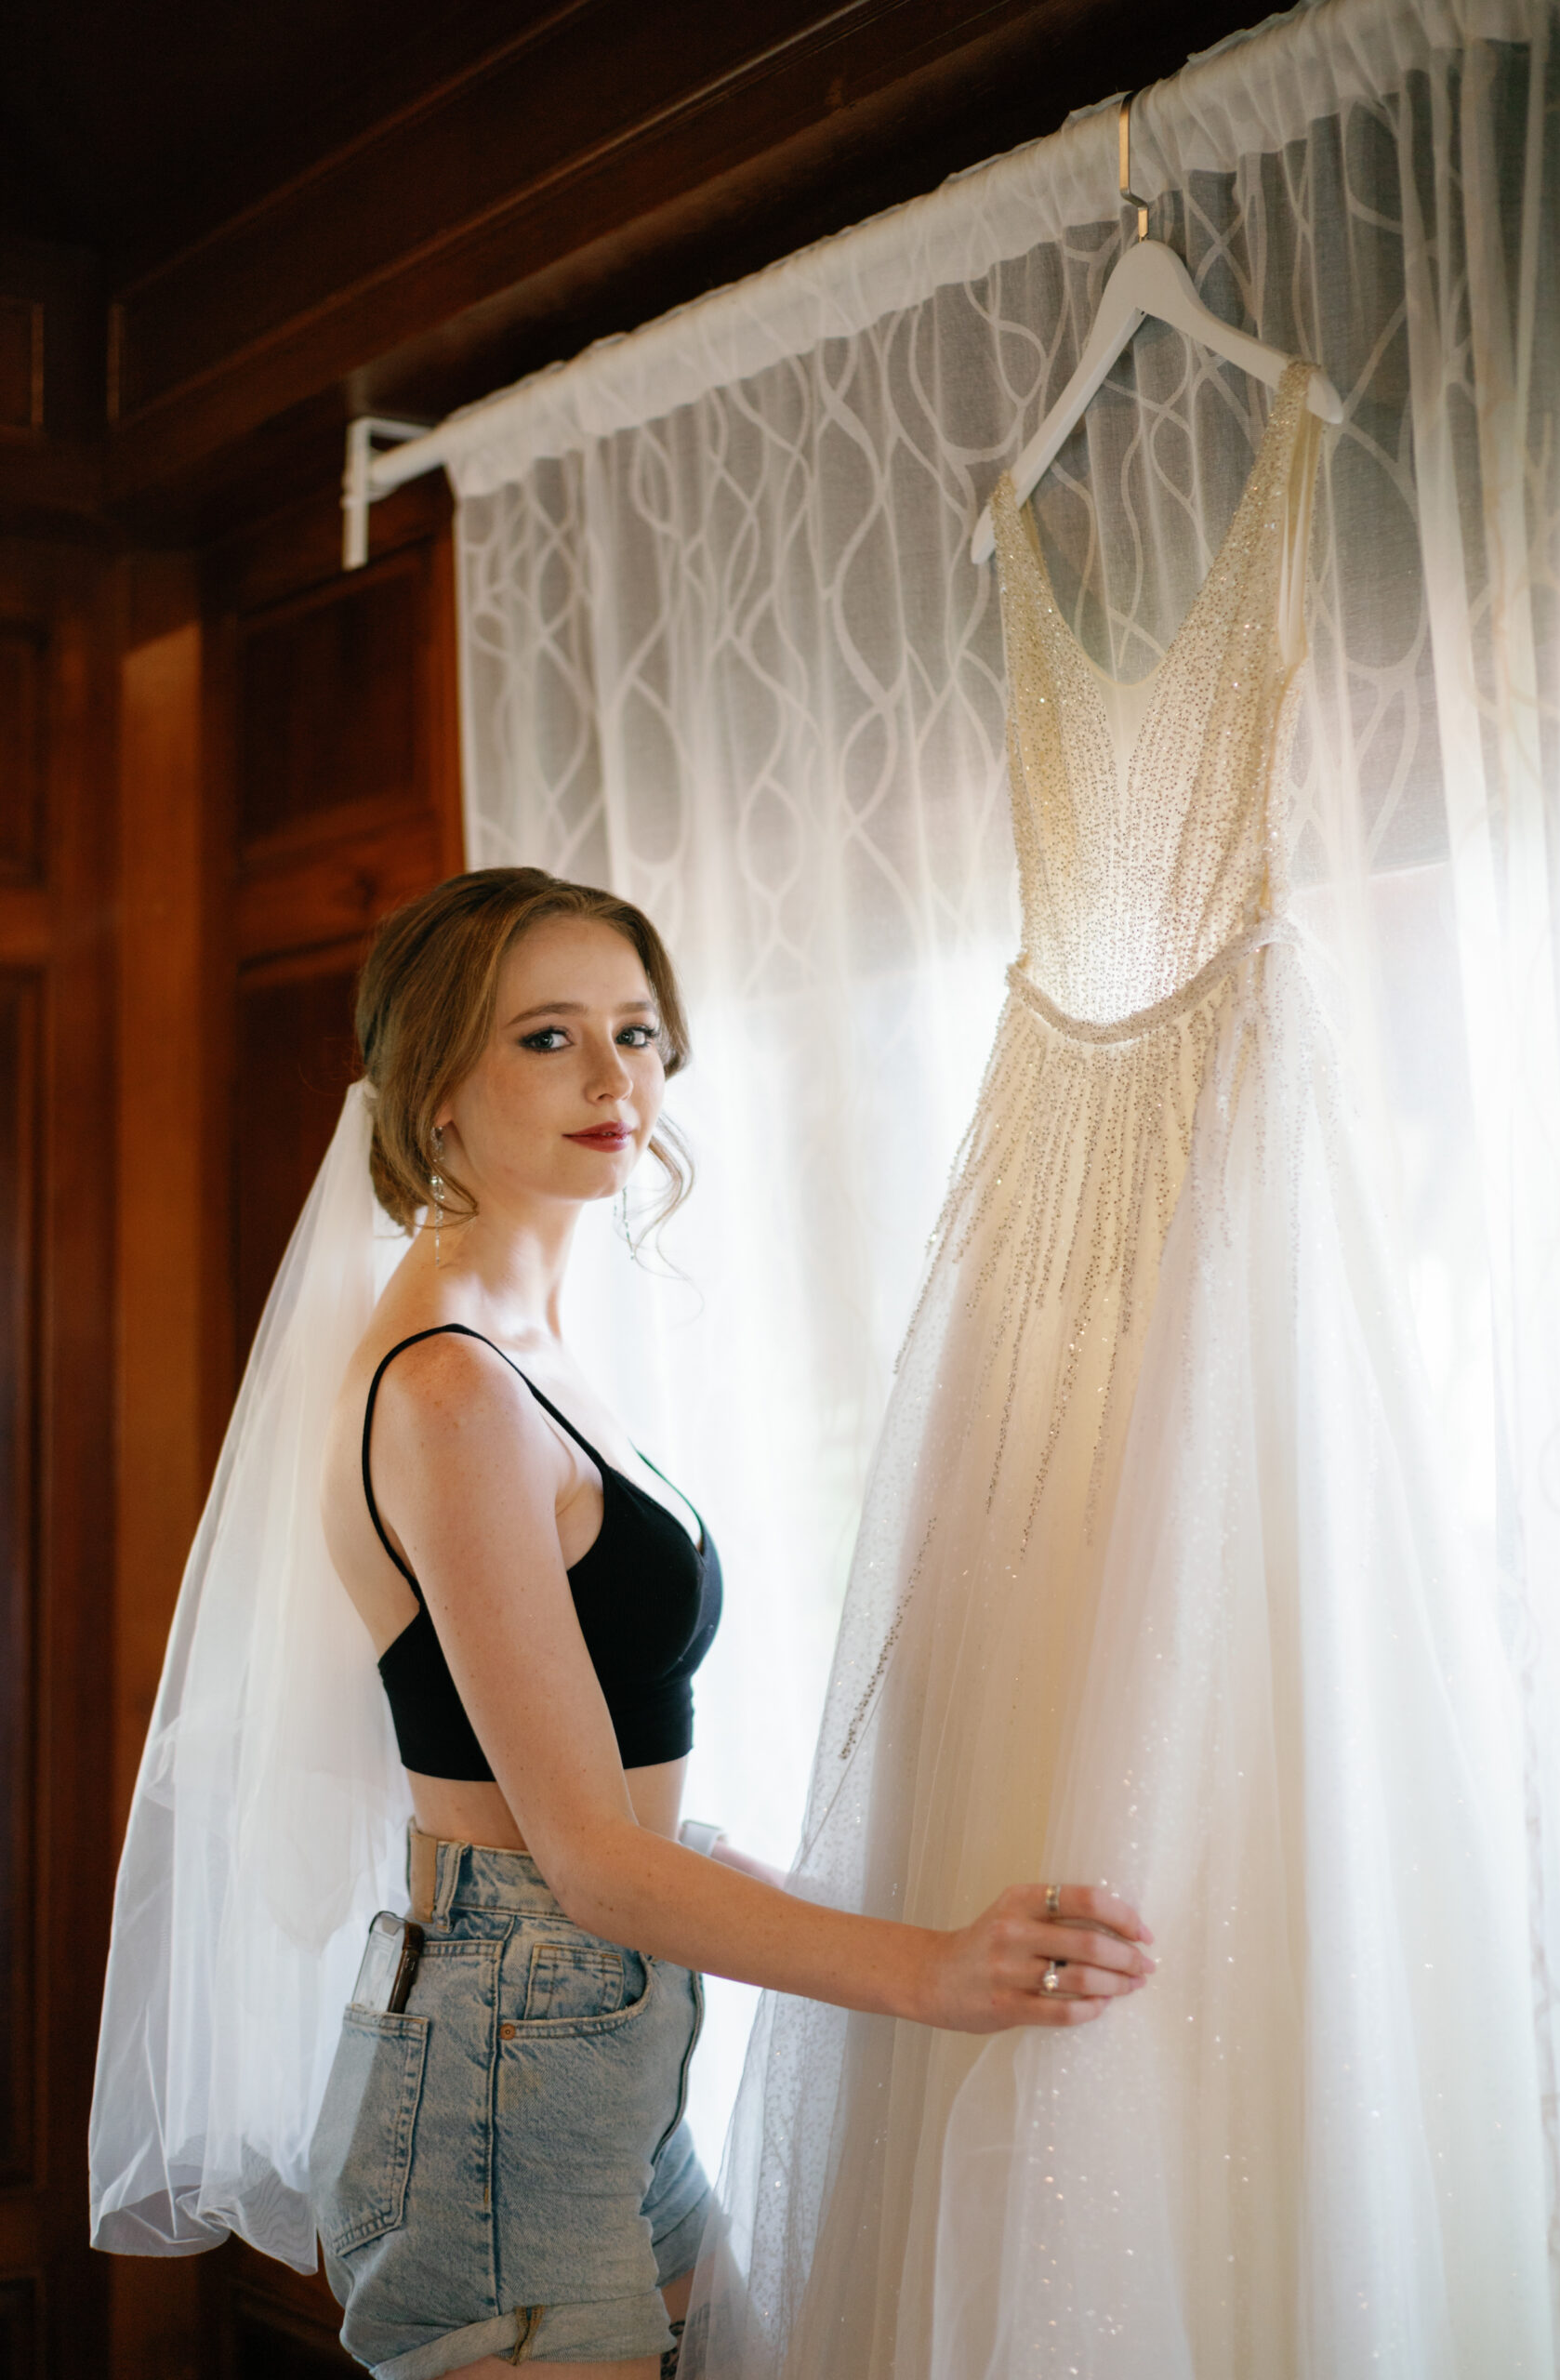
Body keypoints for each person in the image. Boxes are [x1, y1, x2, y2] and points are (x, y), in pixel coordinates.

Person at [92, 864, 1155, 2380]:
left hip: (598, 2043)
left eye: (638, 1031)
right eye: (548, 1037)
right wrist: (926, 1972)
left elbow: (615, 1814)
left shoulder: (526, 1347)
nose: (615, 1078)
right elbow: (584, 1860)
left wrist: (880, 1897)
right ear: (433, 1088)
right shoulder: (450, 1387)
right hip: (505, 2073)